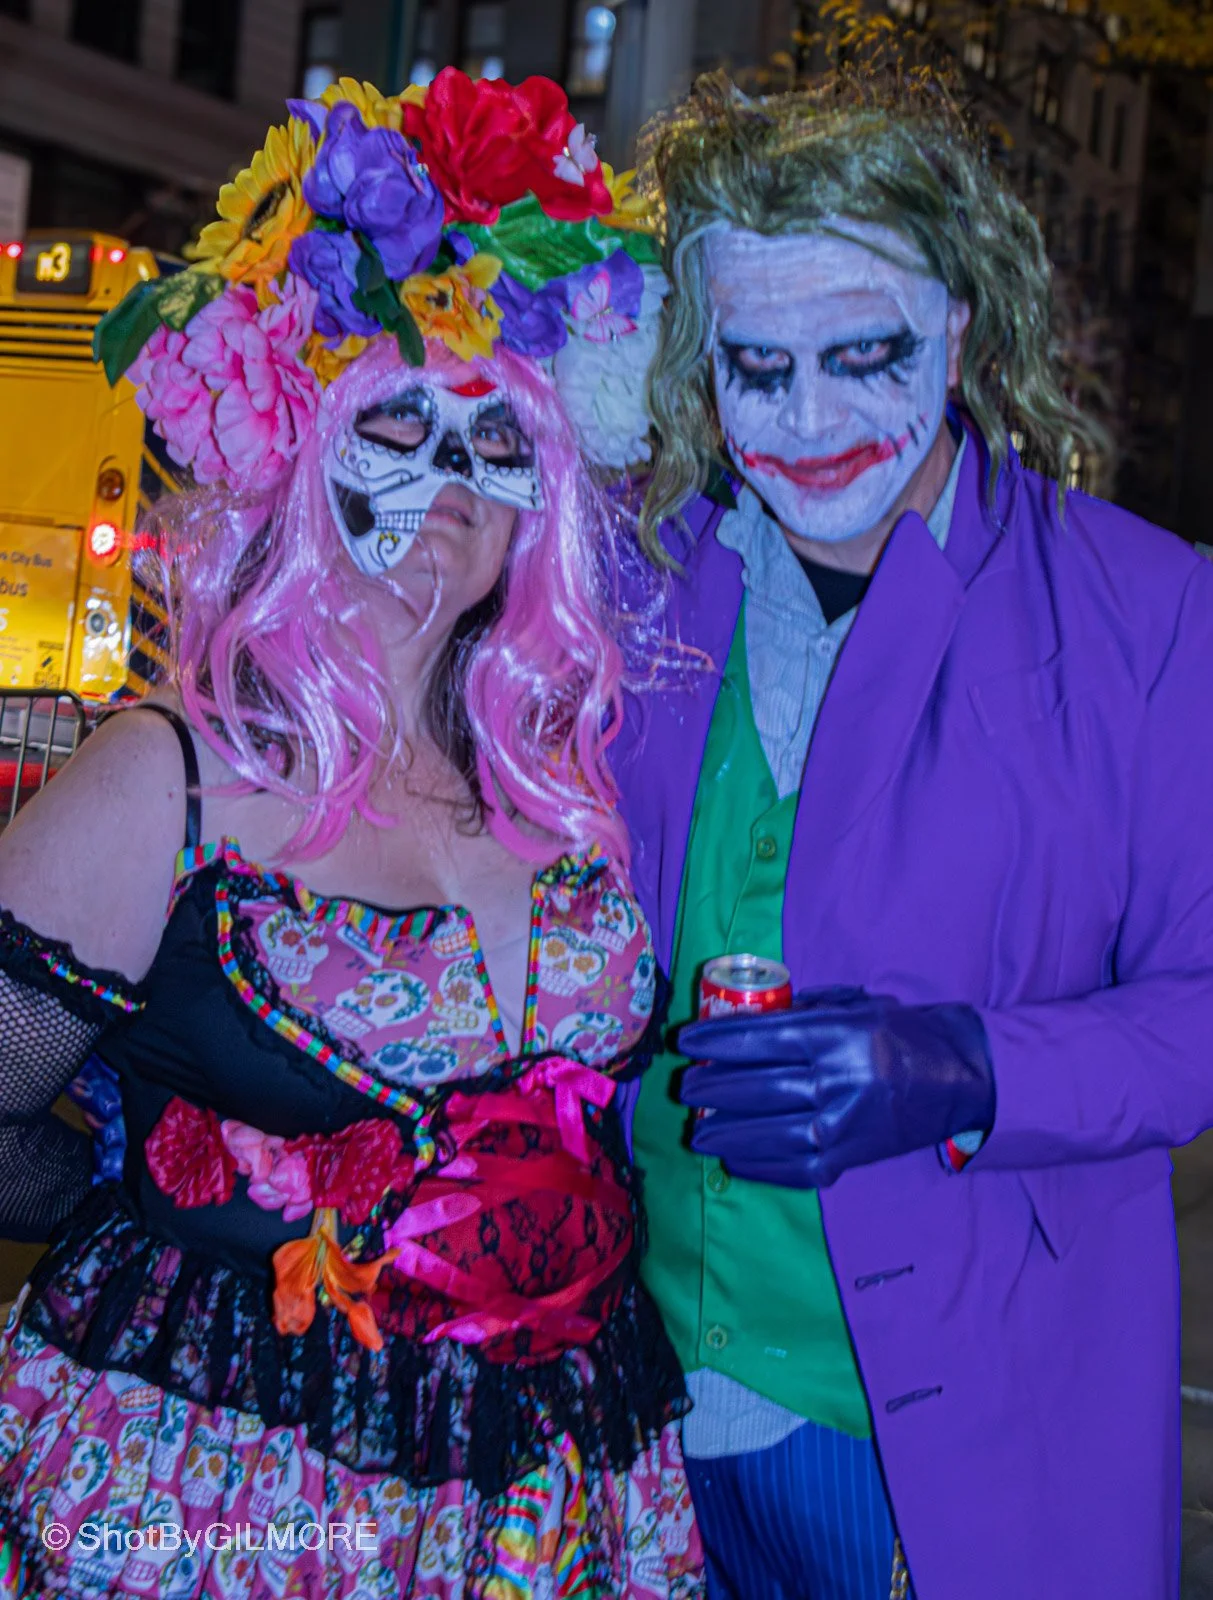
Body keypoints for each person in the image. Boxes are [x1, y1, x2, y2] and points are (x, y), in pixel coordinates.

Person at [0, 71, 702, 1600]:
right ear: (304, 450)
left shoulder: (572, 781)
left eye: (493, 446)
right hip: (234, 1490)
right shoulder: (166, 784)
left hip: (563, 1485)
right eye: (394, 423)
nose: (448, 488)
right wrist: (160, 1194)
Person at [609, 71, 1213, 1600]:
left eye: (862, 356)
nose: (807, 425)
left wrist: (967, 1068)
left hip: (949, 1435)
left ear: (956, 329)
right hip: (627, 1411)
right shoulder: (629, 586)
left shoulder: (1149, 612)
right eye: (757, 366)